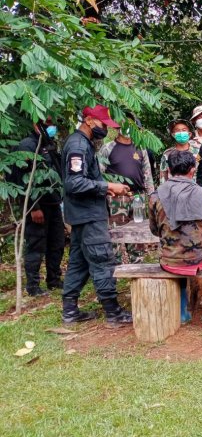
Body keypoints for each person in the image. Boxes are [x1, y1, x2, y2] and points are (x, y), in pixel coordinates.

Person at [61, 104, 132, 325]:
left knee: (79, 261)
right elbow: (74, 182)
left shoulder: (83, 143)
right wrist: (106, 185)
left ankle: (70, 311)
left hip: (83, 213)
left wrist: (106, 187)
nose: (105, 129)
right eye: (102, 124)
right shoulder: (77, 145)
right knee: (102, 259)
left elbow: (84, 179)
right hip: (88, 215)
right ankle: (113, 313)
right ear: (89, 120)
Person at [148, 150, 202, 325]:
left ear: (168, 169)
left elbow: (154, 230)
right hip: (198, 258)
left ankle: (182, 314)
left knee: (177, 264)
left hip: (169, 260)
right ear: (193, 169)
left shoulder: (155, 196)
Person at [12, 118, 64, 296]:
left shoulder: (49, 144)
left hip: (54, 202)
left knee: (56, 243)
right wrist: (34, 207)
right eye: (48, 124)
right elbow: (23, 178)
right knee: (36, 245)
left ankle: (54, 279)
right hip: (37, 205)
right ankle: (33, 286)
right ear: (37, 124)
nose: (52, 127)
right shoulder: (27, 146)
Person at [98, 114, 155, 264]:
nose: (127, 127)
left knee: (137, 231)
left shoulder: (140, 148)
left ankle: (138, 263)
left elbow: (147, 174)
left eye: (130, 124)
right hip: (116, 199)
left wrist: (152, 197)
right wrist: (106, 192)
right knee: (116, 233)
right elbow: (99, 174)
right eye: (123, 123)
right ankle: (115, 265)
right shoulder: (108, 148)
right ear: (117, 127)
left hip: (138, 197)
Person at [159, 119, 199, 183]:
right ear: (173, 134)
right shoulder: (167, 154)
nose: (181, 133)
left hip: (194, 190)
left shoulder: (197, 152)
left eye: (184, 130)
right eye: (177, 130)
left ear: (189, 134)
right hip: (173, 190)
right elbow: (163, 176)